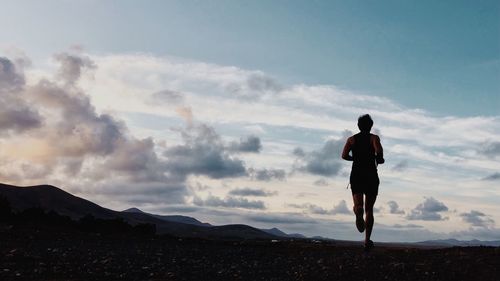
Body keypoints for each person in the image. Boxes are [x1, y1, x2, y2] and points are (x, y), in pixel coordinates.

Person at [341, 114, 384, 251]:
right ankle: (366, 241)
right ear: (370, 126)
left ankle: (357, 211)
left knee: (358, 204)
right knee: (369, 209)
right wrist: (379, 158)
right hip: (371, 174)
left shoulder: (351, 139)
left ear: (358, 126)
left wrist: (354, 159)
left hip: (357, 174)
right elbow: (379, 152)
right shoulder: (374, 138)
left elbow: (344, 155)